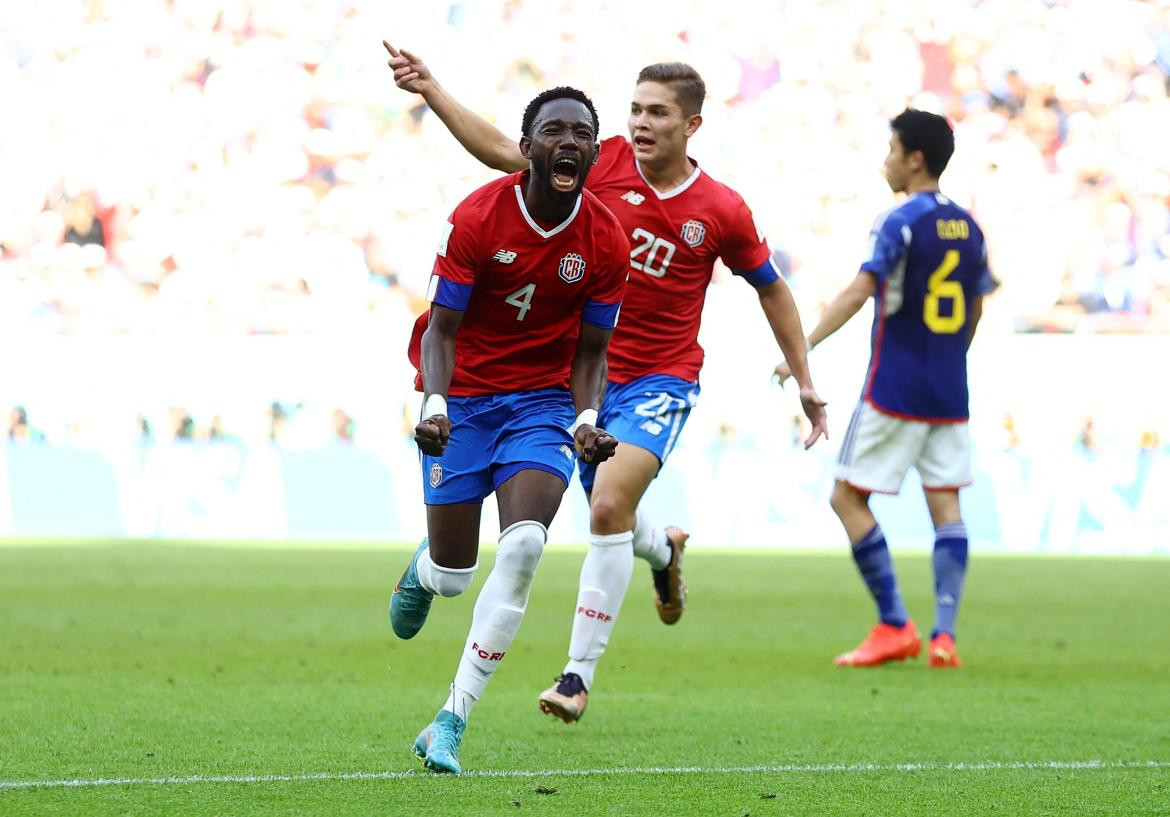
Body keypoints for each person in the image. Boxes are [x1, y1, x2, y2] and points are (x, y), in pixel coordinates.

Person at [384, 42, 829, 723]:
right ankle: (663, 547)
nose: (640, 124)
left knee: (603, 506)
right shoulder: (596, 159)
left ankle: (575, 675)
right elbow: (507, 150)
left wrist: (804, 376)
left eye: (657, 113)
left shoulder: (721, 209)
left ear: (692, 125)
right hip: (576, 372)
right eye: (635, 110)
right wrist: (432, 90)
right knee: (609, 513)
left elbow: (772, 289)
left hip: (657, 377)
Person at [390, 86, 629, 775]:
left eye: (582, 133)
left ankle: (450, 718)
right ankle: (424, 568)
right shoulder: (476, 217)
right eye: (554, 131)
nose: (570, 142)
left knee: (524, 546)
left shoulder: (606, 239)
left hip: (542, 405)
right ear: (526, 149)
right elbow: (441, 328)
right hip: (463, 398)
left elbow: (592, 353)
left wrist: (586, 419)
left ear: (591, 150)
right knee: (455, 575)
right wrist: (434, 403)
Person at [774, 109, 995, 669]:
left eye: (892, 149)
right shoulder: (970, 226)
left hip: (894, 387)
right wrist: (950, 358)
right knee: (946, 504)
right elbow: (974, 307)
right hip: (950, 391)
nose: (886, 161)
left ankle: (895, 623)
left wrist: (801, 350)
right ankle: (945, 636)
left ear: (914, 159)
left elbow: (859, 290)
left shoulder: (898, 220)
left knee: (847, 496)